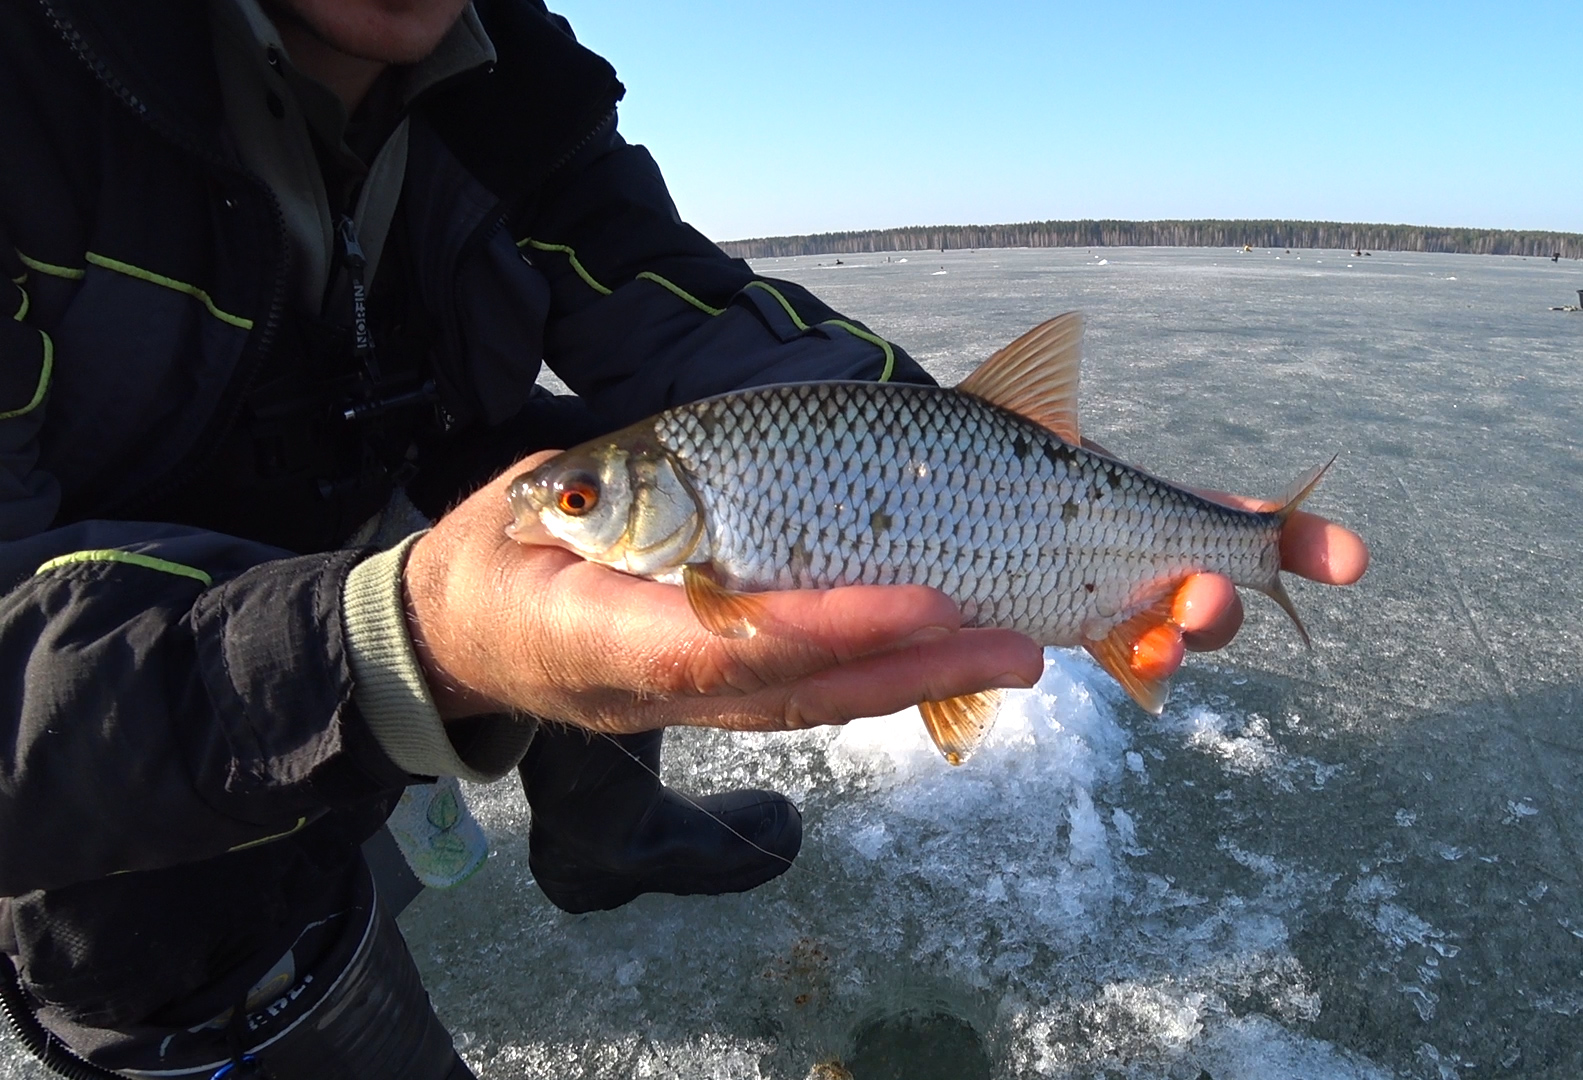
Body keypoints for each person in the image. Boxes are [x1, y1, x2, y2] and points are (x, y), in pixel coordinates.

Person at [0, 0, 1369, 1075]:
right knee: (192, 935)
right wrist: (395, 643)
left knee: (628, 511)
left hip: (393, 494)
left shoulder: (509, 81)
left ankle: (602, 833)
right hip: (114, 723)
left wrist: (958, 442)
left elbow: (681, 315)